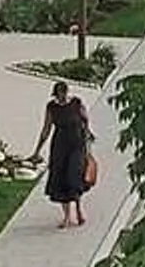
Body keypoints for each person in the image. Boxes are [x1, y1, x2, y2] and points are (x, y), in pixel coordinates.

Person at [31, 81, 96, 230]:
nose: (62, 96)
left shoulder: (76, 103)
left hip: (77, 145)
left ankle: (79, 209)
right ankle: (66, 216)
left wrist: (88, 134)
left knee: (75, 177)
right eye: (59, 93)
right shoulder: (51, 107)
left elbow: (85, 119)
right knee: (60, 179)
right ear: (56, 93)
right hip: (60, 146)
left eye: (64, 93)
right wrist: (37, 150)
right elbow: (46, 129)